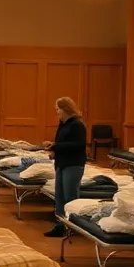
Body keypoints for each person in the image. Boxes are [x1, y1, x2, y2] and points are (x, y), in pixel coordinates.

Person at [44, 97, 88, 238]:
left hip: (73, 164)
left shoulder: (77, 125)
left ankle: (72, 226)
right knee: (59, 196)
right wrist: (54, 151)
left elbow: (79, 145)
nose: (56, 112)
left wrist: (56, 146)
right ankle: (61, 225)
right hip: (61, 163)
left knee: (70, 197)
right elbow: (61, 142)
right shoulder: (62, 124)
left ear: (65, 109)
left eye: (58, 109)